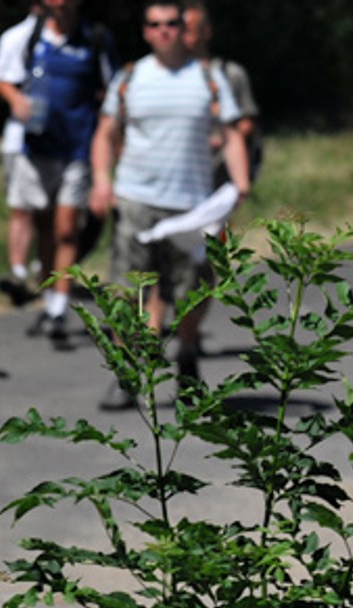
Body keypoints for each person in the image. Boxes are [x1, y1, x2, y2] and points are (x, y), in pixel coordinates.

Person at [89, 0, 249, 408]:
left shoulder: (209, 79)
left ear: (185, 28)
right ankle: (128, 374)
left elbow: (231, 134)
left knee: (193, 292)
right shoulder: (131, 78)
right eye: (155, 24)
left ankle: (188, 354)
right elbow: (106, 133)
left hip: (191, 206)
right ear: (145, 31)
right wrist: (102, 181)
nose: (164, 31)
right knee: (129, 293)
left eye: (172, 24)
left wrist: (240, 182)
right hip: (136, 200)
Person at [0, 0, 115, 343]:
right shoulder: (30, 38)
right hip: (37, 147)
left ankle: (59, 307)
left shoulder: (95, 39)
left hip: (78, 148)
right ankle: (48, 298)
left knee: (66, 229)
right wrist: (17, 100)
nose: (60, 7)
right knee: (44, 226)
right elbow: (1, 80)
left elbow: (111, 93)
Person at [181, 0, 259, 189]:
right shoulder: (164, 78)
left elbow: (247, 121)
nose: (182, 35)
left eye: (189, 29)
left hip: (220, 171)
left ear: (206, 31)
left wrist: (221, 141)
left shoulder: (230, 74)